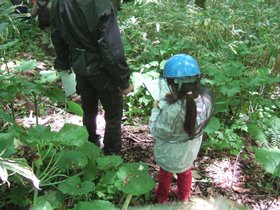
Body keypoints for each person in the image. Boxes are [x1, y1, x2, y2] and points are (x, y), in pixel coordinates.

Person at [51, 0, 133, 155]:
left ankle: (90, 145)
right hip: (103, 70)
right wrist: (123, 81)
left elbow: (57, 35)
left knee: (88, 110)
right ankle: (111, 155)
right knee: (113, 116)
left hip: (80, 66)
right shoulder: (102, 4)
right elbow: (111, 48)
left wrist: (64, 63)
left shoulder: (59, 3)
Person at [149, 54, 214, 203]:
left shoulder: (172, 111)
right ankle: (184, 197)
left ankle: (162, 198)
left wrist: (155, 109)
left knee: (165, 174)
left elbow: (156, 131)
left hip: (170, 153)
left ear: (174, 85)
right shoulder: (206, 100)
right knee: (185, 171)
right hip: (189, 151)